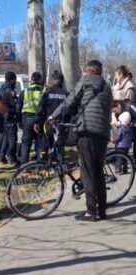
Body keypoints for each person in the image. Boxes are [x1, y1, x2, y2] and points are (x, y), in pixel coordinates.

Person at [49, 60, 112, 222]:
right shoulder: (107, 86)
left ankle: (91, 212)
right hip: (103, 133)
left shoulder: (85, 81)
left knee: (88, 173)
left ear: (88, 70)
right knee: (98, 172)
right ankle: (102, 211)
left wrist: (53, 116)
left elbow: (69, 101)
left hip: (87, 131)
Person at [35, 72, 69, 163]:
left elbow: (40, 108)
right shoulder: (66, 94)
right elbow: (71, 110)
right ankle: (61, 164)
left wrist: (37, 121)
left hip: (49, 123)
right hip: (62, 124)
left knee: (45, 145)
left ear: (52, 81)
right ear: (62, 81)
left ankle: (42, 162)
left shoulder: (47, 93)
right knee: (60, 146)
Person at [17, 72, 47, 165]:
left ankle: (24, 165)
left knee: (26, 143)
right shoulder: (45, 90)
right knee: (40, 143)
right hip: (40, 119)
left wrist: (19, 121)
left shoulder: (24, 91)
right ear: (40, 80)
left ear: (31, 80)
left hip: (27, 119)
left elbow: (18, 107)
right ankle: (40, 164)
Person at [0, 71, 19, 165]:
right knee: (13, 138)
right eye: (15, 80)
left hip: (2, 117)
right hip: (10, 117)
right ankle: (12, 158)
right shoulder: (9, 91)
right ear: (12, 80)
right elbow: (15, 105)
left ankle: (2, 157)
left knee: (6, 138)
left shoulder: (1, 89)